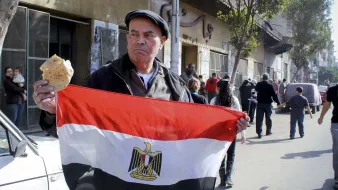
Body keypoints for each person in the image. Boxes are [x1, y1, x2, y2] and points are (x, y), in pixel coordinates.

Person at [32, 10, 249, 190]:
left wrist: (227, 127)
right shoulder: (103, 79)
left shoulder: (175, 85)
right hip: (113, 180)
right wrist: (53, 111)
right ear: (127, 38)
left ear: (162, 41)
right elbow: (74, 126)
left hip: (161, 180)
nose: (140, 41)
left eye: (148, 35)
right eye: (134, 34)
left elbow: (189, 133)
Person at [210, 79, 246, 188]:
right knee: (231, 154)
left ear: (218, 88)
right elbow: (241, 117)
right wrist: (243, 134)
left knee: (221, 155)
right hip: (231, 132)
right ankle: (229, 176)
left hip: (219, 133)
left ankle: (222, 179)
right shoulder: (234, 100)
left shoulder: (214, 101)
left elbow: (210, 118)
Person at [318, 84, 338, 189]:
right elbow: (327, 104)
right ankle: (337, 179)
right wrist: (321, 117)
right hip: (336, 124)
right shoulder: (333, 90)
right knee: (337, 151)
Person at [255, 73, 281, 138]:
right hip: (268, 104)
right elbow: (274, 95)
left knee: (259, 119)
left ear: (262, 78)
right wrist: (278, 102)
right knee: (268, 118)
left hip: (260, 104)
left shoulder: (259, 84)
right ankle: (268, 131)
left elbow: (256, 89)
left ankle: (259, 133)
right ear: (268, 78)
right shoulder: (270, 86)